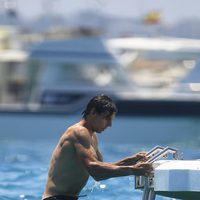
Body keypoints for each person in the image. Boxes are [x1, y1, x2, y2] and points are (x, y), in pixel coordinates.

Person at [42, 94, 153, 200]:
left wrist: (131, 161)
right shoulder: (78, 131)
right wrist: (134, 170)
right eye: (107, 118)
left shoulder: (92, 136)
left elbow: (101, 172)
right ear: (93, 112)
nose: (110, 124)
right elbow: (95, 170)